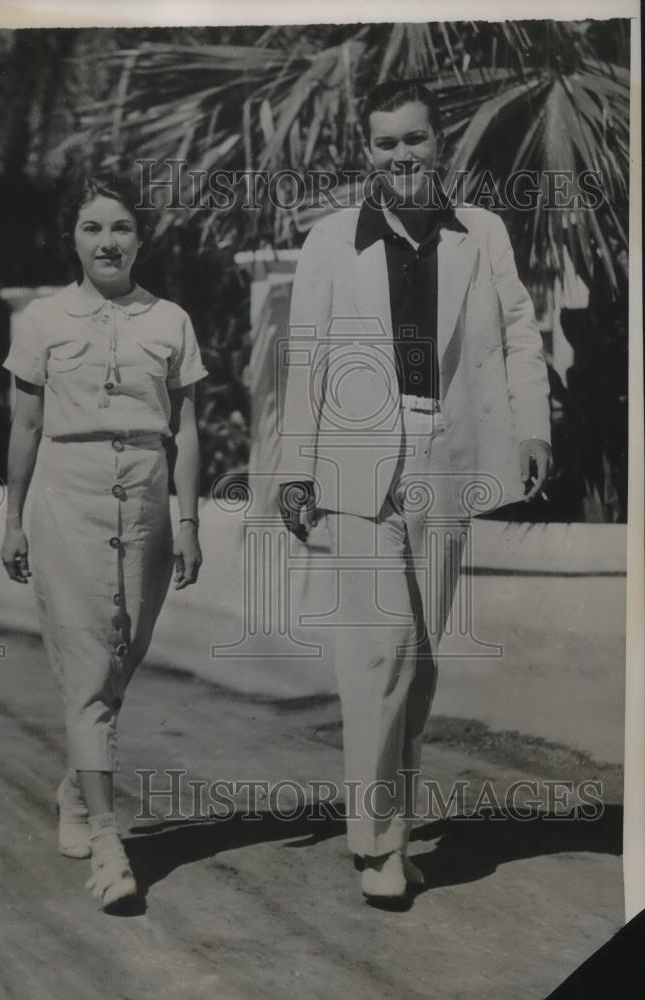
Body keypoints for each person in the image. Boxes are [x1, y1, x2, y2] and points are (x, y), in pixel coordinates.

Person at [278, 82, 551, 902]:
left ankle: (392, 818)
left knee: (421, 661)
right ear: (369, 151)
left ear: (441, 143)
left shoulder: (483, 234)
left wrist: (533, 427)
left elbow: (518, 333)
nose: (402, 155)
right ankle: (377, 844)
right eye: (387, 142)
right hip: (359, 465)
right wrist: (297, 468)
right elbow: (306, 360)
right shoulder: (331, 242)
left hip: (446, 458)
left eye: (416, 140)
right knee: (378, 649)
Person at [0, 174, 208, 909]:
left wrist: (187, 521)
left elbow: (183, 430)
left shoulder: (171, 321)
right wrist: (11, 518)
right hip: (68, 497)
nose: (107, 241)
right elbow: (24, 427)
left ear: (141, 237)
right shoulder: (42, 319)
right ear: (74, 239)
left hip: (147, 501)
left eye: (120, 227)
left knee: (121, 657)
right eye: (91, 228)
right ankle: (110, 844)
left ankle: (73, 790)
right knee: (89, 667)